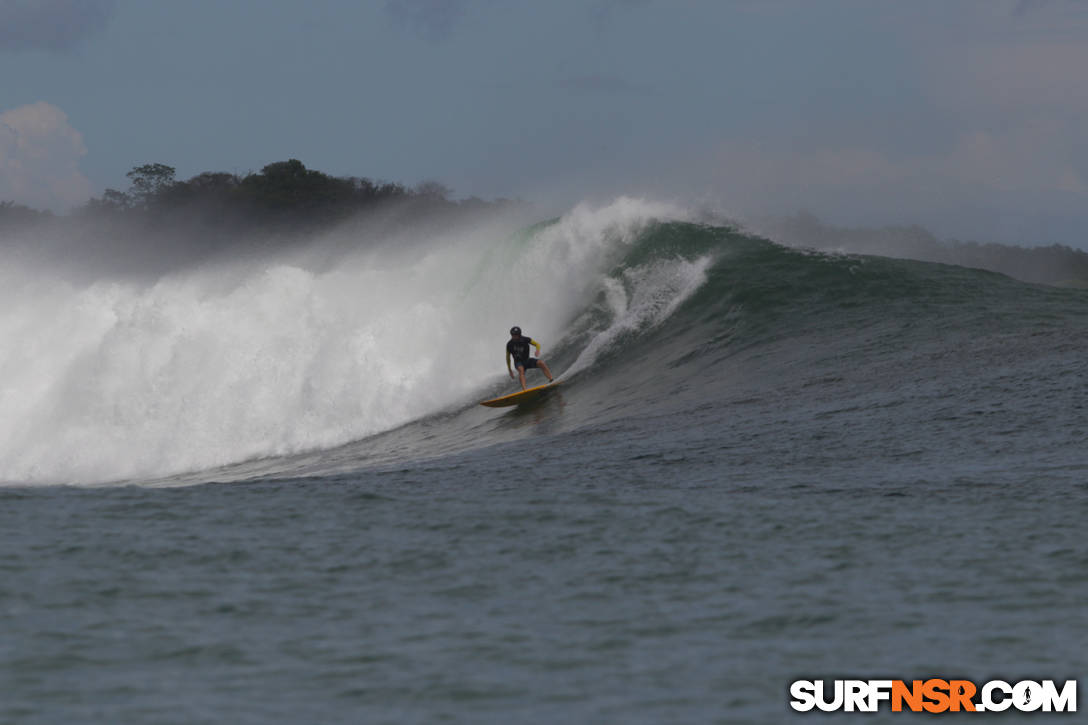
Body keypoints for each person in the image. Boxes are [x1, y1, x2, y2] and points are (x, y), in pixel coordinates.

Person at [506, 326, 554, 390]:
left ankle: (551, 380)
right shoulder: (509, 344)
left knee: (541, 363)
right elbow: (507, 358)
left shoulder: (525, 339)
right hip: (518, 362)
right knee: (521, 369)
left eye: (515, 335)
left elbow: (537, 344)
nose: (513, 337)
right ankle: (525, 390)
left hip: (527, 360)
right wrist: (510, 370)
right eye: (512, 335)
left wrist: (537, 350)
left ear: (519, 335)